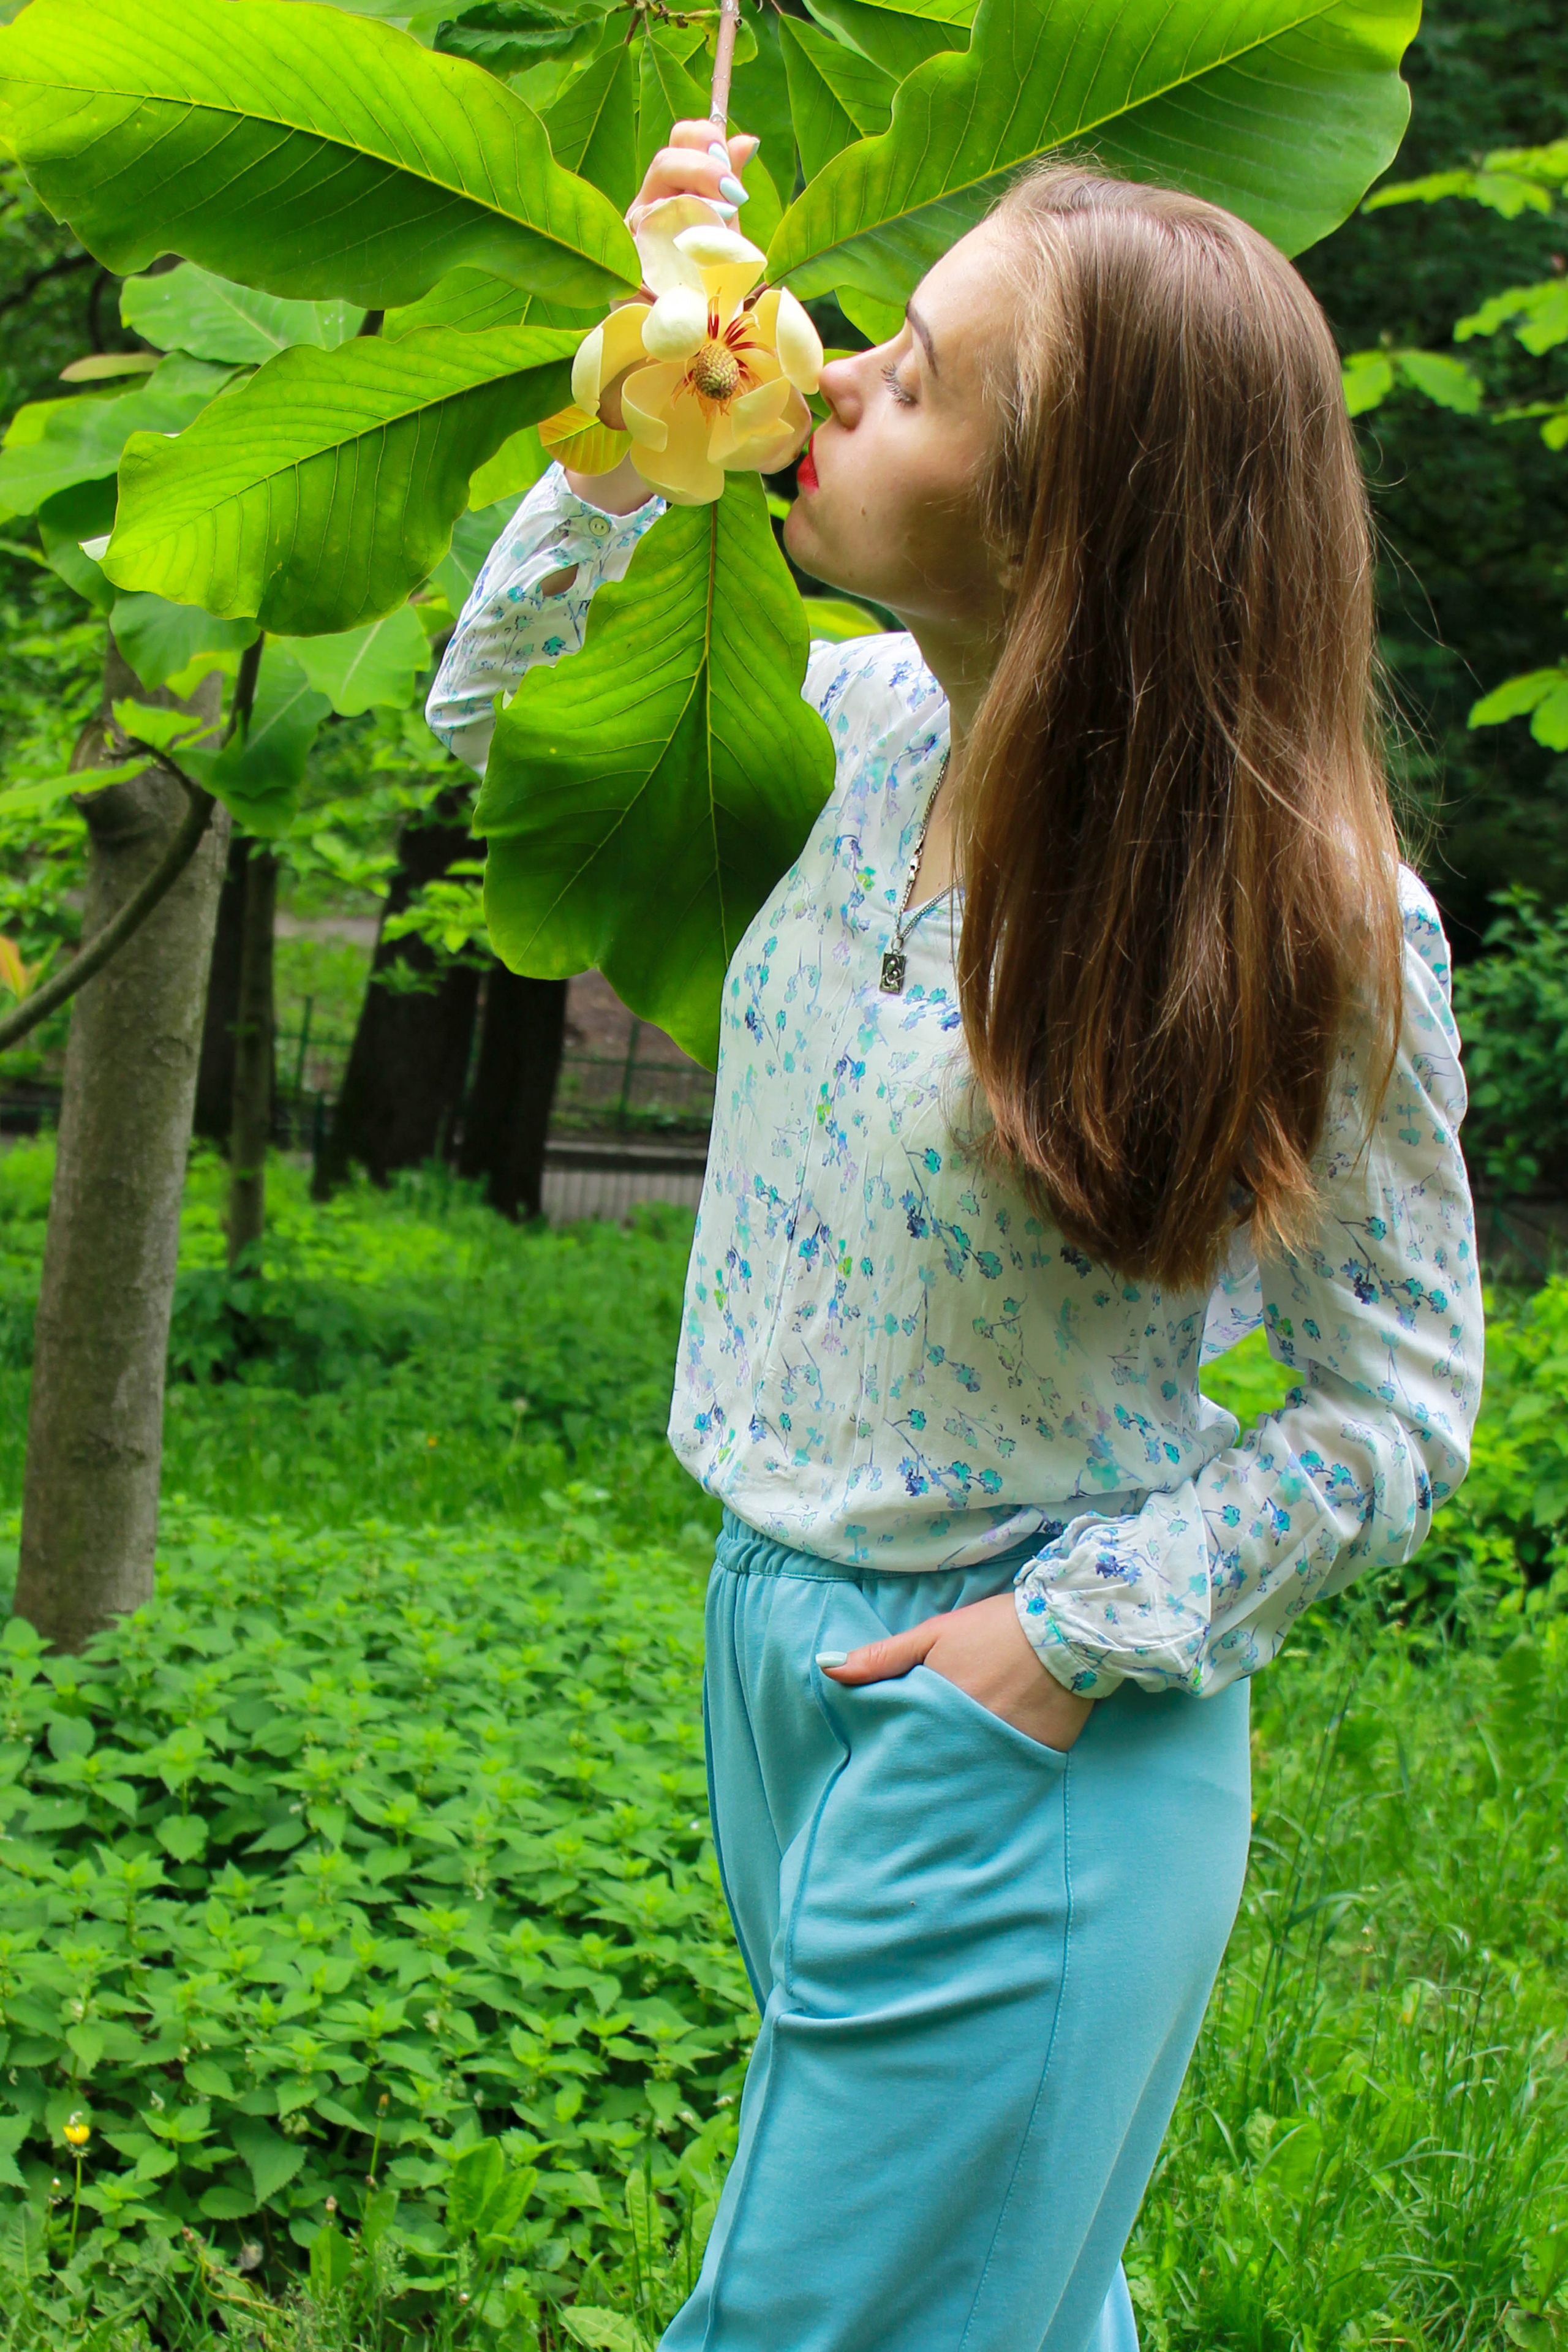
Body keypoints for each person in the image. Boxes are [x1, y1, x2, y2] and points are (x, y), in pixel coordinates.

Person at [428, 126, 1483, 2352]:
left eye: (913, 380)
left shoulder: (1306, 909)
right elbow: (493, 723)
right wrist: (638, 410)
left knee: (807, 2320)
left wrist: (1060, 1642)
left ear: (1070, 525)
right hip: (771, 1642)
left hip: (1033, 1703)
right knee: (1001, 2307)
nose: (828, 381)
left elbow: (1397, 1406)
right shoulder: (835, 738)